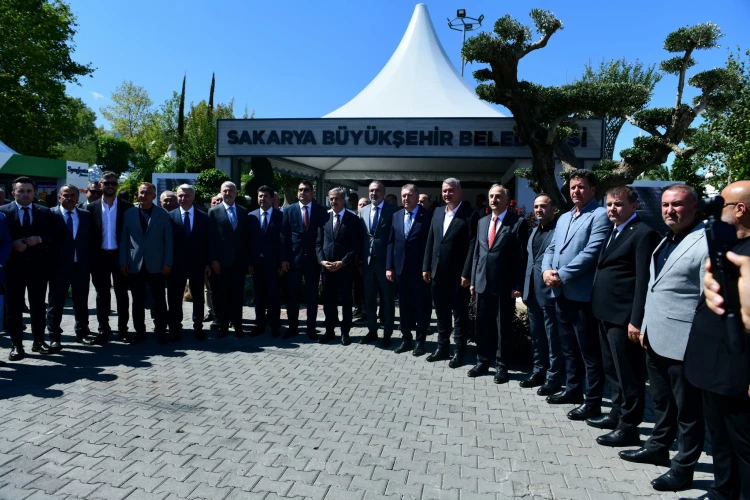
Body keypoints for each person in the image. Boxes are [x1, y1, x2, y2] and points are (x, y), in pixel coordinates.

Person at [619, 184, 707, 493]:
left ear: (694, 207)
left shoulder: (704, 242)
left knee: (688, 412)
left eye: (678, 205)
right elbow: (654, 287)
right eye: (666, 205)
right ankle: (657, 447)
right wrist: (644, 325)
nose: (670, 210)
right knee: (662, 401)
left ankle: (683, 468)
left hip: (685, 343)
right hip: (655, 336)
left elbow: (707, 300)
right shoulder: (666, 238)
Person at [683, 180, 750, 500]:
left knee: (744, 446)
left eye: (721, 204)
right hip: (711, 367)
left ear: (740, 209)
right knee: (720, 438)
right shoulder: (726, 246)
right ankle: (722, 491)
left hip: (739, 374)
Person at [589, 186, 660, 447]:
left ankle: (629, 427)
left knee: (629, 374)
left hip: (623, 317)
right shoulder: (614, 230)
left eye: (618, 204)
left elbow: (643, 281)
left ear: (634, 205)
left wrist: (636, 320)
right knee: (613, 370)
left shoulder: (643, 233)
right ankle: (616, 414)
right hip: (604, 313)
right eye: (609, 204)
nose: (612, 209)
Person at [542, 169, 609, 421]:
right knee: (568, 347)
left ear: (593, 190)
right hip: (561, 293)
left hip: (582, 294)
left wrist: (561, 275)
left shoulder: (600, 215)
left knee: (588, 351)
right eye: (572, 187)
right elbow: (551, 248)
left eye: (581, 187)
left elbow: (591, 253)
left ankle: (592, 402)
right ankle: (573, 390)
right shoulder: (564, 217)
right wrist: (546, 270)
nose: (576, 191)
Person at [469, 184, 528, 383]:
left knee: (503, 327)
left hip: (504, 285)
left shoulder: (517, 223)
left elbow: (521, 257)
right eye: (491, 196)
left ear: (507, 200)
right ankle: (482, 361)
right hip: (482, 283)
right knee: (482, 325)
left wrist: (517, 284)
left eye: (498, 196)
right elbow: (477, 253)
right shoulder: (482, 222)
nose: (494, 200)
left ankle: (502, 366)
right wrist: (473, 279)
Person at [423, 178, 475, 367]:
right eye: (444, 191)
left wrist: (467, 273)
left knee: (459, 316)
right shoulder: (437, 212)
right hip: (437, 273)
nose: (447, 194)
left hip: (458, 276)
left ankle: (459, 353)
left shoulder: (470, 215)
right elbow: (431, 240)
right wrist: (426, 266)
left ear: (459, 192)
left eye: (451, 190)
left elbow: (472, 246)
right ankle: (442, 348)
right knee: (441, 313)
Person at [1, 176, 53, 360]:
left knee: (38, 306)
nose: (25, 194)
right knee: (14, 308)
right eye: (21, 191)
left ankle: (39, 341)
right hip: (12, 269)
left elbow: (55, 235)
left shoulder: (45, 212)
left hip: (38, 269)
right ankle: (17, 345)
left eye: (29, 191)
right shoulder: (3, 212)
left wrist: (39, 239)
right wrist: (12, 244)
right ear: (13, 192)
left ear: (34, 193)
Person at [120, 182, 173, 345]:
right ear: (137, 194)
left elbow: (168, 240)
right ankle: (140, 332)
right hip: (135, 263)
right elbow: (124, 239)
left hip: (157, 264)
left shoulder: (162, 213)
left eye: (147, 193)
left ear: (154, 196)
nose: (143, 196)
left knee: (159, 300)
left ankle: (160, 331)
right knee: (137, 301)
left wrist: (168, 262)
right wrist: (123, 262)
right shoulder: (129, 213)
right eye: (141, 193)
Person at [521, 194, 563, 396]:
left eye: (543, 206)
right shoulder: (534, 230)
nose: (539, 210)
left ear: (553, 208)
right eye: (536, 206)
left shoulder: (559, 232)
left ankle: (553, 378)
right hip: (531, 291)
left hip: (549, 292)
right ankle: (538, 371)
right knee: (536, 335)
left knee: (552, 337)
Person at [386, 184, 433, 356]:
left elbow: (431, 244)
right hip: (400, 270)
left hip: (420, 271)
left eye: (410, 195)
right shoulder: (396, 215)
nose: (406, 198)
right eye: (404, 195)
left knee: (421, 307)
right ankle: (406, 340)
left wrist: (428, 267)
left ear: (417, 196)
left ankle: (420, 342)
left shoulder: (427, 216)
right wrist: (389, 266)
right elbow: (391, 242)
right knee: (404, 307)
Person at [88, 171, 133, 343]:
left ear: (117, 185)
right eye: (106, 183)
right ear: (100, 185)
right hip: (99, 257)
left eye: (113, 183)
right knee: (102, 295)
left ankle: (123, 330)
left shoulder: (128, 208)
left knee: (122, 295)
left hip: (120, 257)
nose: (110, 186)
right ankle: (103, 329)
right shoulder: (90, 208)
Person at [46, 185, 94, 348]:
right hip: (58, 267)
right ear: (59, 197)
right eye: (66, 195)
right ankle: (54, 336)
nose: (69, 198)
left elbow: (89, 240)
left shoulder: (85, 215)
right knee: (56, 302)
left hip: (80, 266)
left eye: (73, 195)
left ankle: (82, 333)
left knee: (81, 301)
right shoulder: (50, 214)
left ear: (77, 198)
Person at [280, 180, 328, 340]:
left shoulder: (321, 210)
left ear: (312, 193)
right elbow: (284, 236)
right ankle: (292, 328)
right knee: (292, 295)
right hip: (293, 260)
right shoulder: (289, 210)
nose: (303, 192)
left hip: (313, 260)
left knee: (312, 296)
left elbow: (324, 236)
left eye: (306, 190)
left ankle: (311, 328)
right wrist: (284, 259)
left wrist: (322, 258)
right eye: (300, 190)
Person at [316, 187, 361, 345]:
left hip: (345, 268)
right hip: (327, 268)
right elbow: (318, 243)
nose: (333, 201)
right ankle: (329, 331)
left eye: (336, 198)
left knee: (346, 301)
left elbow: (356, 246)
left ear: (343, 200)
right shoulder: (324, 218)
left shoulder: (353, 219)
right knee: (329, 301)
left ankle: (345, 333)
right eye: (331, 199)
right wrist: (322, 261)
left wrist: (343, 262)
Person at [167, 184, 209, 342]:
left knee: (198, 296)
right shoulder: (170, 216)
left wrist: (207, 263)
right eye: (180, 196)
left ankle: (198, 326)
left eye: (186, 196)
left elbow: (207, 242)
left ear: (193, 197)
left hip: (197, 264)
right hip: (176, 265)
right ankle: (175, 327)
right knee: (175, 297)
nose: (183, 198)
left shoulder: (203, 217)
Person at [208, 181, 250, 339]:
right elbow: (210, 238)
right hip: (221, 263)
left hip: (239, 263)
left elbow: (246, 238)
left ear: (236, 193)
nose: (228, 193)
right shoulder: (213, 212)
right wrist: (213, 260)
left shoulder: (244, 212)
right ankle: (223, 327)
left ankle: (238, 326)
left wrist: (247, 261)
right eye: (225, 191)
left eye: (231, 190)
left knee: (237, 296)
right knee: (222, 296)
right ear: (221, 192)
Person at [358, 181, 398, 346]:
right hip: (368, 263)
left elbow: (395, 238)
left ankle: (387, 334)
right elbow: (362, 236)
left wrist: (391, 265)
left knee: (387, 300)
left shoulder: (394, 211)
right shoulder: (363, 210)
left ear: (383, 192)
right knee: (369, 300)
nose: (373, 193)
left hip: (385, 263)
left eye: (377, 191)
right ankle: (372, 331)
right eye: (371, 191)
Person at [248, 185, 284, 337]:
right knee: (259, 296)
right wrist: (249, 263)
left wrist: (282, 261)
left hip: (274, 264)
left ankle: (275, 325)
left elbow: (283, 241)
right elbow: (247, 242)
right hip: (256, 264)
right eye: (260, 196)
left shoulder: (280, 216)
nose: (262, 199)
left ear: (272, 198)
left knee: (274, 296)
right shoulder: (251, 216)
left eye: (265, 196)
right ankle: (259, 325)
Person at [353, 197, 369, 319]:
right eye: (360, 204)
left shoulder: (369, 220)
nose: (362, 206)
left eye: (365, 204)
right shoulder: (353, 219)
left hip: (366, 259)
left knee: (366, 287)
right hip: (353, 259)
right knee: (356, 287)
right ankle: (357, 308)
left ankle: (365, 311)